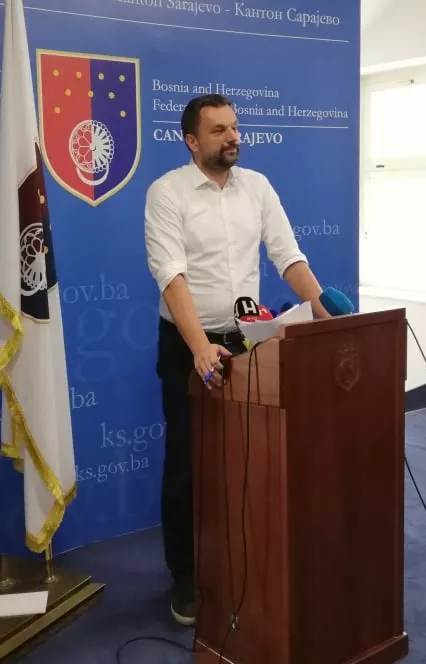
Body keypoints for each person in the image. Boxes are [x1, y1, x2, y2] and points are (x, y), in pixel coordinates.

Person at [143, 93, 330, 625]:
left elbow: (288, 256)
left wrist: (326, 315)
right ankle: (185, 576)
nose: (233, 137)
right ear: (192, 141)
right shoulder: (167, 193)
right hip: (188, 345)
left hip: (249, 341)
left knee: (250, 459)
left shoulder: (258, 187)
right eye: (219, 130)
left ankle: (241, 560)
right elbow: (170, 275)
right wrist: (200, 346)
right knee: (187, 464)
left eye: (234, 127)